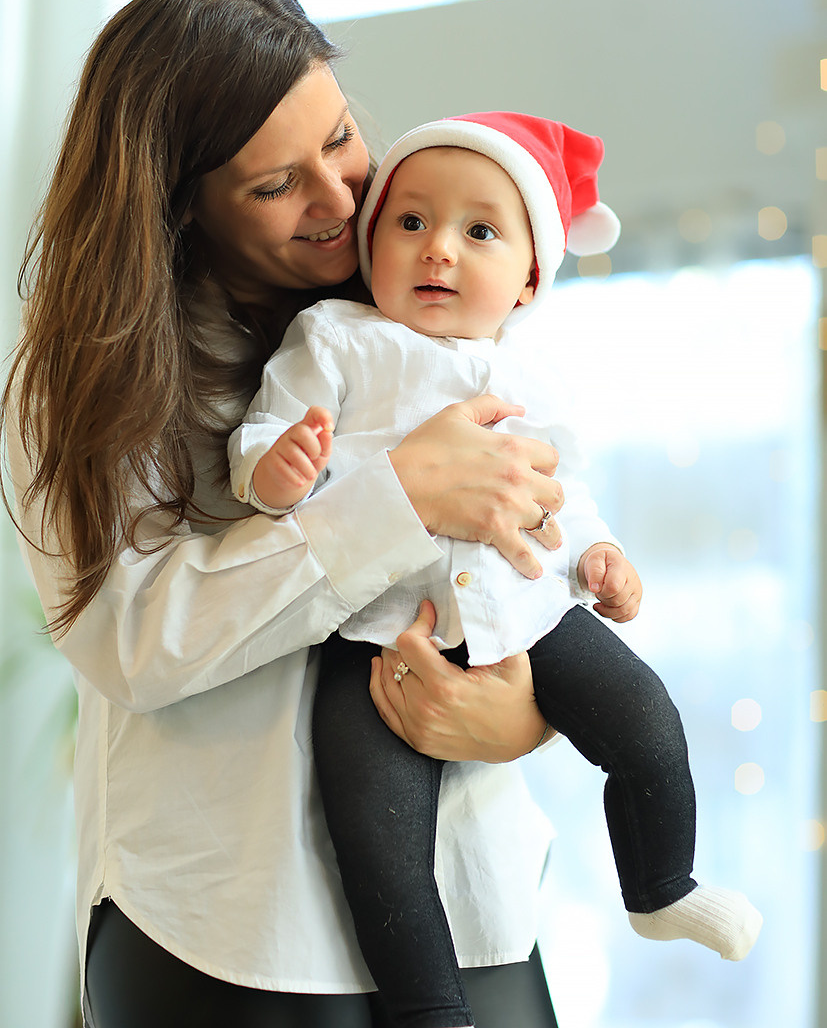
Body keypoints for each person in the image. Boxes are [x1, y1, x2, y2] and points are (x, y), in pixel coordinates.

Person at [1, 0, 573, 1028]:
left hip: (469, 908)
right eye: (276, 185)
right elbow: (131, 641)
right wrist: (394, 500)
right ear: (178, 210)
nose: (343, 196)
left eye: (341, 136)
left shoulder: (428, 302)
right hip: (232, 934)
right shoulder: (89, 375)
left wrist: (529, 709)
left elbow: (542, 543)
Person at [230, 112, 764, 1027]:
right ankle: (428, 1010)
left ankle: (659, 883)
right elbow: (268, 433)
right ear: (372, 240)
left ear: (527, 277)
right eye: (409, 222)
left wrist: (599, 552)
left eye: (478, 231)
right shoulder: (337, 337)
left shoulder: (534, 372)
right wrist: (271, 466)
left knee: (643, 720)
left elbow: (563, 488)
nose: (437, 248)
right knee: (374, 838)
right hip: (374, 628)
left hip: (528, 609)